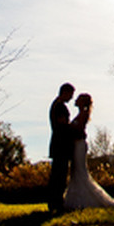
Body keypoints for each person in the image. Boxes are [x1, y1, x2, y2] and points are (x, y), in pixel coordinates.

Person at [62, 92, 114, 210]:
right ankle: (75, 198)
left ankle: (83, 199)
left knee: (79, 170)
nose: (75, 100)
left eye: (78, 99)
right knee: (76, 170)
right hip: (76, 145)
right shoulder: (81, 114)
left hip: (79, 145)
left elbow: (79, 131)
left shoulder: (83, 115)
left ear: (82, 102)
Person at [47, 82, 77, 212]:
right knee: (59, 175)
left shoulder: (56, 105)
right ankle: (56, 202)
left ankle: (55, 201)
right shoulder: (59, 107)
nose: (71, 98)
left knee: (59, 174)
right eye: (70, 94)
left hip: (59, 144)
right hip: (61, 145)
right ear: (65, 92)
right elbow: (63, 126)